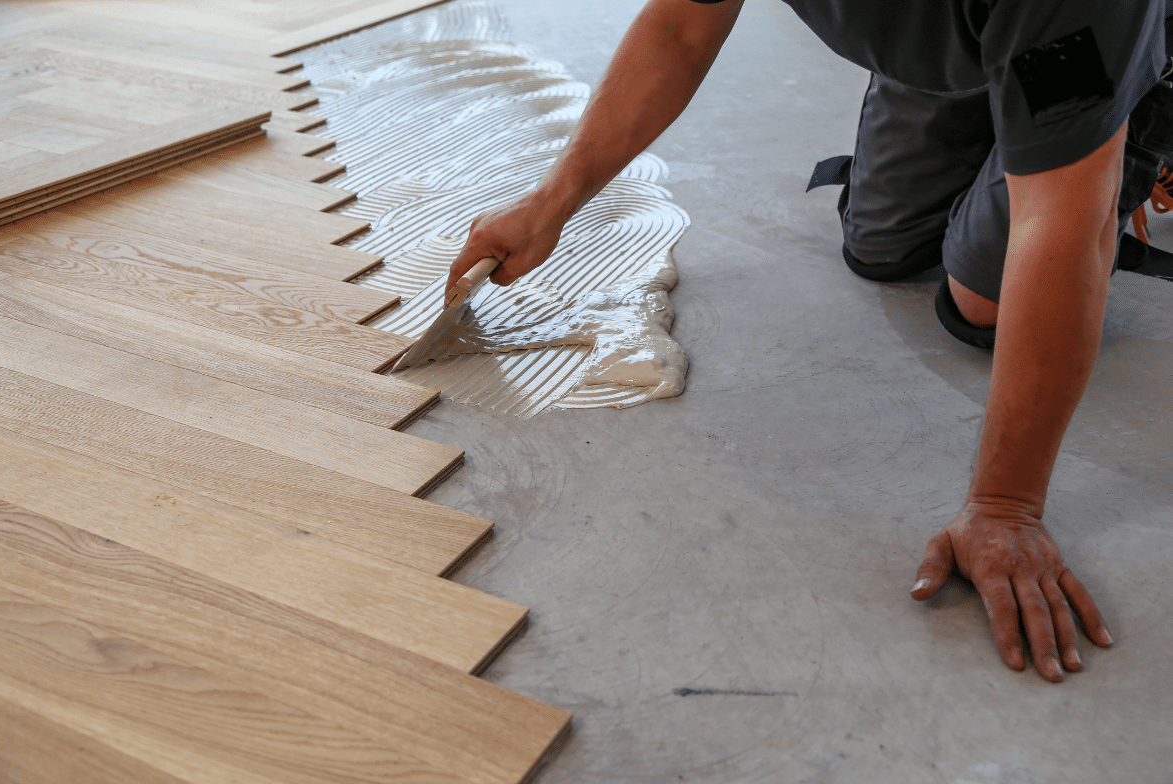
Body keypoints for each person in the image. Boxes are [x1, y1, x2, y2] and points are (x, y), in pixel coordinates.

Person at [445, 0, 1170, 681]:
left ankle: (1126, 111)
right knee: (881, 248)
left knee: (981, 300)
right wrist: (554, 199)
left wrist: (1006, 504)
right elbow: (682, 27)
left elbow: (1062, 225)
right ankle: (1002, 91)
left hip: (1070, 44)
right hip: (967, 33)